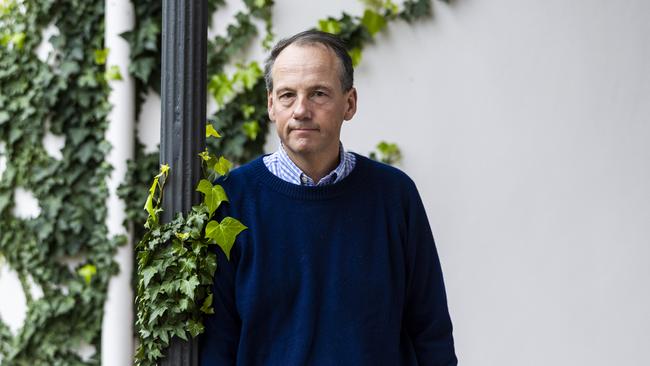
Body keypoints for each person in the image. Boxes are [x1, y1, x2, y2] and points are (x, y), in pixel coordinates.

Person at [200, 30, 458, 366]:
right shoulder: (232, 201)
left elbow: (430, 330)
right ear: (270, 105)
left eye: (318, 94)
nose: (301, 110)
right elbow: (217, 344)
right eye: (287, 95)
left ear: (349, 103)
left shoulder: (395, 196)